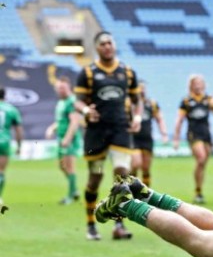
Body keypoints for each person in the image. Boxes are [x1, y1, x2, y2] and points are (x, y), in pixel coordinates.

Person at [74, 31, 142, 241]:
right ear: (97, 48)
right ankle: (91, 224)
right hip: (96, 132)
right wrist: (86, 111)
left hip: (120, 129)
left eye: (110, 43)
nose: (107, 47)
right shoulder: (88, 72)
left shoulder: (127, 72)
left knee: (122, 172)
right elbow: (77, 101)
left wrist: (137, 118)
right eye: (103, 44)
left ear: (114, 45)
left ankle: (118, 224)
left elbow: (137, 99)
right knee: (95, 178)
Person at [172, 74, 213, 204]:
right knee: (201, 159)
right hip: (193, 135)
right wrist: (176, 138)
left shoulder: (208, 99)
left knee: (203, 164)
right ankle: (197, 191)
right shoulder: (186, 101)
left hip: (206, 135)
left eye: (200, 83)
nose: (198, 85)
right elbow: (179, 120)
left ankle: (199, 191)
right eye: (195, 83)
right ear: (191, 85)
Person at [45, 76, 82, 205]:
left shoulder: (72, 101)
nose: (60, 90)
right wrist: (52, 128)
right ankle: (75, 190)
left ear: (68, 88)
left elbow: (74, 122)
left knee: (69, 166)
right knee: (62, 166)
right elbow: (61, 121)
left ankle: (70, 196)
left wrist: (67, 138)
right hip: (61, 138)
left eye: (63, 88)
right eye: (59, 88)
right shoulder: (61, 102)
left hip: (70, 139)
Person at [131, 81, 168, 187]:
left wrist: (164, 134)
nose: (142, 90)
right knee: (135, 164)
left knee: (146, 168)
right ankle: (132, 189)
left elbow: (160, 119)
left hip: (147, 138)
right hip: (133, 138)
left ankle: (146, 193)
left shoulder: (152, 104)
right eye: (139, 88)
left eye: (143, 88)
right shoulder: (130, 103)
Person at [0, 85, 23, 207]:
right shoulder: (11, 110)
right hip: (3, 142)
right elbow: (18, 130)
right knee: (1, 171)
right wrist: (19, 146)